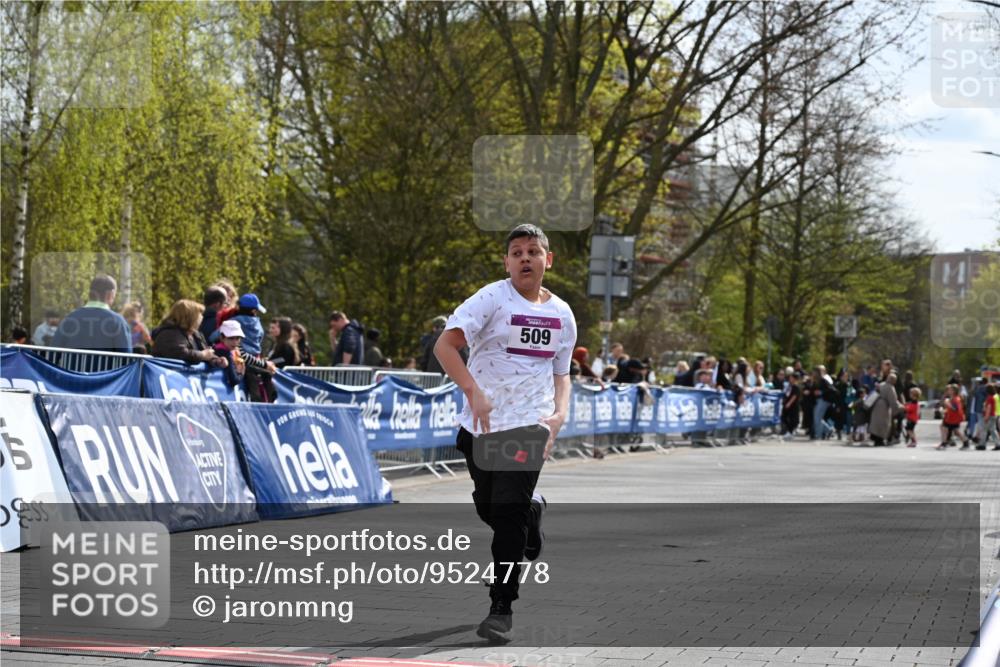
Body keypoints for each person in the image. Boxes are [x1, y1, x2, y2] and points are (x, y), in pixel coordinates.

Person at [433, 224, 576, 643]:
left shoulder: (561, 314)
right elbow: (446, 346)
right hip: (481, 423)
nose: (525, 258)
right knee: (490, 511)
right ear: (507, 262)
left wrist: (559, 414)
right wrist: (473, 392)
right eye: (517, 252)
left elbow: (561, 373)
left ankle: (501, 606)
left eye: (533, 251)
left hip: (528, 424)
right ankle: (532, 513)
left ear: (548, 260)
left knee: (507, 516)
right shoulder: (492, 298)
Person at [51, 274, 131, 352]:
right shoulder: (118, 322)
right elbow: (127, 359)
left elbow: (53, 353)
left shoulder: (69, 318)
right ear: (110, 294)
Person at [151, 300, 226, 367]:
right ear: (189, 317)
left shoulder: (195, 334)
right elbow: (181, 353)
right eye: (199, 314)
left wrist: (216, 360)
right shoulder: (169, 333)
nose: (201, 317)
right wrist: (202, 355)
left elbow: (205, 351)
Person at [232, 294, 276, 402]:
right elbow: (260, 338)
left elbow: (214, 336)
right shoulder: (258, 324)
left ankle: (256, 399)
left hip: (241, 359)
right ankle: (270, 396)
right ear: (253, 311)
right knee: (263, 375)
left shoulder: (233, 322)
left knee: (252, 382)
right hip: (255, 358)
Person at [869, 372, 901, 447]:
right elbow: (893, 401)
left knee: (875, 422)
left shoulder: (881, 384)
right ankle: (880, 440)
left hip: (876, 405)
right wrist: (899, 407)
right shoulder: (890, 387)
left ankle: (875, 438)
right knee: (883, 423)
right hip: (884, 407)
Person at [938, 385, 969, 449]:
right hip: (952, 417)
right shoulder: (953, 398)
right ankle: (965, 442)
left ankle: (944, 443)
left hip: (953, 418)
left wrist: (947, 404)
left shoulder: (956, 399)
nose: (948, 391)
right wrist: (944, 411)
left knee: (944, 428)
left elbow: (955, 409)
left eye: (950, 390)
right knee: (955, 431)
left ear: (954, 391)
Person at [781, 370, 801, 438]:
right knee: (784, 417)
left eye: (791, 378)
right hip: (788, 405)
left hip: (793, 406)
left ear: (795, 379)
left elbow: (794, 396)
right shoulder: (790, 385)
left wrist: (789, 403)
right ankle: (790, 431)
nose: (790, 379)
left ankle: (790, 432)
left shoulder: (796, 387)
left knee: (792, 419)